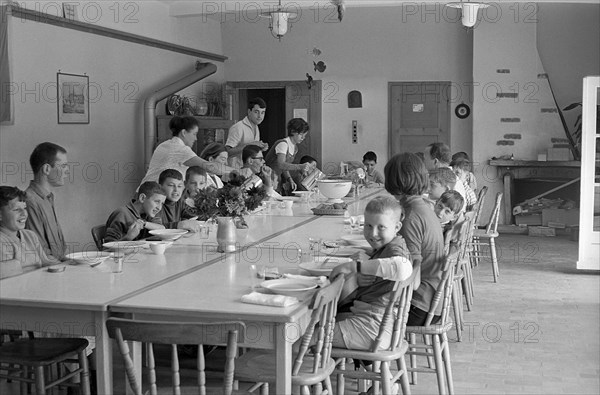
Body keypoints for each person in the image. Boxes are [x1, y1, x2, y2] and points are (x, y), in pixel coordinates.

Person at [329, 196, 413, 350]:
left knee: (303, 336)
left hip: (374, 328)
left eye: (381, 227)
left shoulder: (396, 249)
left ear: (397, 227)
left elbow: (402, 267)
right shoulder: (391, 244)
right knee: (323, 320)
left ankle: (287, 373)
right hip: (379, 323)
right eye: (368, 225)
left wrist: (354, 267)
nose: (373, 233)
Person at [384, 152, 446, 326]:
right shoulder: (424, 207)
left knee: (349, 307)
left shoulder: (410, 216)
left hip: (418, 307)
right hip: (432, 302)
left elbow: (409, 272)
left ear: (394, 181)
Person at [140, 116, 251, 188]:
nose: (196, 138)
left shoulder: (166, 145)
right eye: (194, 134)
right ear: (183, 133)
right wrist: (238, 171)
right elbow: (209, 167)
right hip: (152, 195)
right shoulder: (179, 148)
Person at [1, 186, 60, 279]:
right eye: (16, 209)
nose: (24, 214)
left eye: (24, 208)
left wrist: (71, 264)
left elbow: (46, 261)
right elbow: (9, 277)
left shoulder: (30, 235)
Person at [25, 142, 69, 260]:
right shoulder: (30, 201)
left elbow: (59, 250)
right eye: (63, 165)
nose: (67, 170)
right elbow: (40, 254)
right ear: (47, 169)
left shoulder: (47, 198)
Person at [264, 118, 311, 194]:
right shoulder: (283, 144)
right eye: (301, 134)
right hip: (269, 178)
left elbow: (285, 167)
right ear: (293, 131)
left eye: (304, 135)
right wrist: (300, 166)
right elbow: (281, 164)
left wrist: (290, 179)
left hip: (277, 179)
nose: (303, 138)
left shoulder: (295, 148)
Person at [226, 97, 269, 168]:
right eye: (256, 112)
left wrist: (260, 147)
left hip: (249, 172)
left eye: (262, 112)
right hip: (235, 173)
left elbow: (250, 151)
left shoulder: (256, 127)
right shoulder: (238, 127)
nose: (260, 116)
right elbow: (228, 152)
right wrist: (249, 145)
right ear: (249, 112)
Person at [423, 142, 467, 212]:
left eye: (425, 159)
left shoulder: (450, 181)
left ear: (435, 162)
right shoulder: (454, 178)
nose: (423, 162)